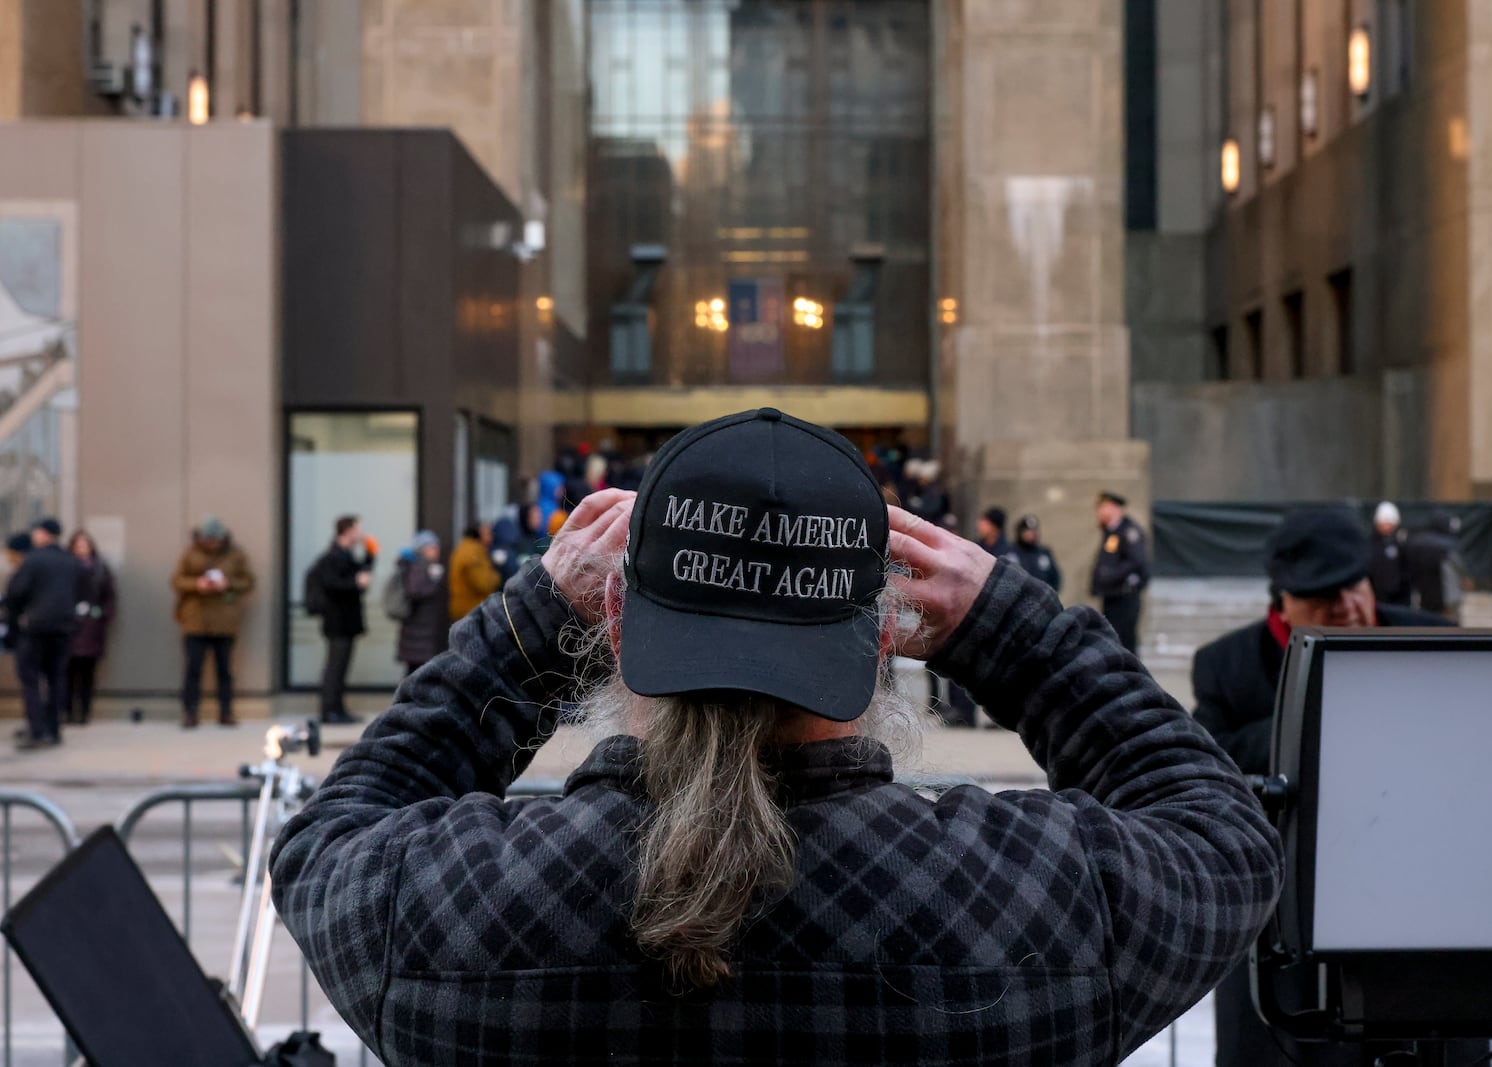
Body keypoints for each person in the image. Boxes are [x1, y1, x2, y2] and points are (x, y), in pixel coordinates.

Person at [271, 408, 1282, 1065]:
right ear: (882, 631)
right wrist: (1012, 630)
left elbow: (330, 835)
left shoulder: (452, 908)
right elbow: (1222, 837)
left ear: (616, 618)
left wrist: (527, 623)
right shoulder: (1032, 899)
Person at [1192, 506, 1479, 1067]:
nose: (1346, 607)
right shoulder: (1226, 667)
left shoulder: (1437, 644)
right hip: (1285, 941)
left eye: (1354, 586)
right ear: (1283, 601)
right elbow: (1213, 770)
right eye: (1324, 596)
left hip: (1424, 928)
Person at [172, 516, 256, 728]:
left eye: (215, 540)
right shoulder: (190, 554)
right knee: (193, 669)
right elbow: (177, 580)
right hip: (195, 622)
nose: (212, 544)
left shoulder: (235, 555)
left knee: (224, 670)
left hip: (224, 623)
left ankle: (226, 712)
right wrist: (197, 584)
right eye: (208, 539)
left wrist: (227, 584)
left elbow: (248, 581)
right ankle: (190, 712)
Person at [8, 519, 80, 750]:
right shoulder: (71, 561)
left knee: (30, 679)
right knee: (57, 678)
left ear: (44, 534)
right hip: (64, 628)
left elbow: (15, 593)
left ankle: (36, 730)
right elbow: (83, 592)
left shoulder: (34, 560)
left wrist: (15, 619)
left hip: (35, 627)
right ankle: (54, 729)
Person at [307, 516, 374, 725]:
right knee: (335, 667)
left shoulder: (345, 555)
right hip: (337, 620)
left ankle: (338, 709)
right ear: (347, 530)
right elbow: (334, 584)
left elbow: (358, 574)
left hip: (346, 620)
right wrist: (355, 583)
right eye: (358, 529)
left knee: (341, 667)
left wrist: (371, 555)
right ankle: (329, 710)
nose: (361, 533)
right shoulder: (333, 556)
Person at [65, 529, 117, 725]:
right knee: (68, 673)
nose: (81, 549)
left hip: (92, 628)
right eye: (78, 545)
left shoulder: (100, 568)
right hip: (69, 626)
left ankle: (84, 713)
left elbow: (109, 596)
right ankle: (68, 712)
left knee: (87, 674)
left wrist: (101, 615)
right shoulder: (65, 567)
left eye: (85, 545)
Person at [1090, 491, 1149, 656]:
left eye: (1103, 507)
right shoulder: (1111, 533)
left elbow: (1136, 561)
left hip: (1125, 597)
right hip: (1112, 596)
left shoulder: (1129, 531)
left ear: (1114, 508)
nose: (1099, 512)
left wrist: (1109, 575)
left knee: (1125, 642)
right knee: (1112, 641)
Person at [395, 531, 448, 675]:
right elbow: (415, 591)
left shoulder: (422, 565)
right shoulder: (419, 566)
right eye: (434, 547)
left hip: (420, 628)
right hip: (418, 627)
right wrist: (434, 582)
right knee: (416, 671)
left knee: (416, 671)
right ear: (424, 549)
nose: (437, 550)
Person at [1406, 512, 1466, 622]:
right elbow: (1459, 568)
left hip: (1423, 598)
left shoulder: (1417, 542)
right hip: (1447, 600)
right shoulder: (1448, 546)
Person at [449, 522, 502, 623]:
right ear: (478, 534)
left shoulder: (466, 548)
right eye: (487, 534)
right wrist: (497, 576)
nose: (490, 538)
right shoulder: (473, 553)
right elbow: (483, 584)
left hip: (467, 610)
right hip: (471, 610)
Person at [1368, 501, 1411, 607]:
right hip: (1378, 596)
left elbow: (1406, 570)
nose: (1387, 527)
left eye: (1389, 523)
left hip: (1398, 598)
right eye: (1384, 523)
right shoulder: (1371, 544)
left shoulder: (1401, 544)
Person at [1007, 514, 1062, 593]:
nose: (1032, 534)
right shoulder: (1010, 554)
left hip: (1042, 601)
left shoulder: (1044, 553)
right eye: (1028, 531)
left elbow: (1055, 578)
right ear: (1020, 532)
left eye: (1034, 530)